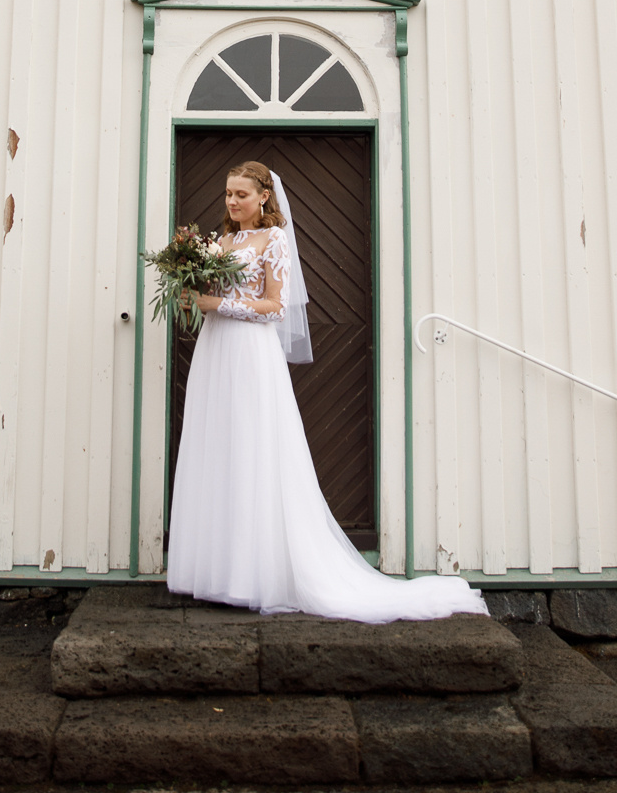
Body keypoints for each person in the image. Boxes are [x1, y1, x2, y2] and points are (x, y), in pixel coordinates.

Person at [166, 159, 489, 622]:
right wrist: (188, 286)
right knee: (218, 448)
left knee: (254, 450)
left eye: (241, 194)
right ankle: (218, 572)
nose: (232, 202)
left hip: (252, 355)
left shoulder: (273, 239)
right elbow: (212, 290)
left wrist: (215, 302)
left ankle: (257, 574)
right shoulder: (223, 241)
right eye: (227, 194)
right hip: (215, 351)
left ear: (263, 198)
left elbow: (275, 307)